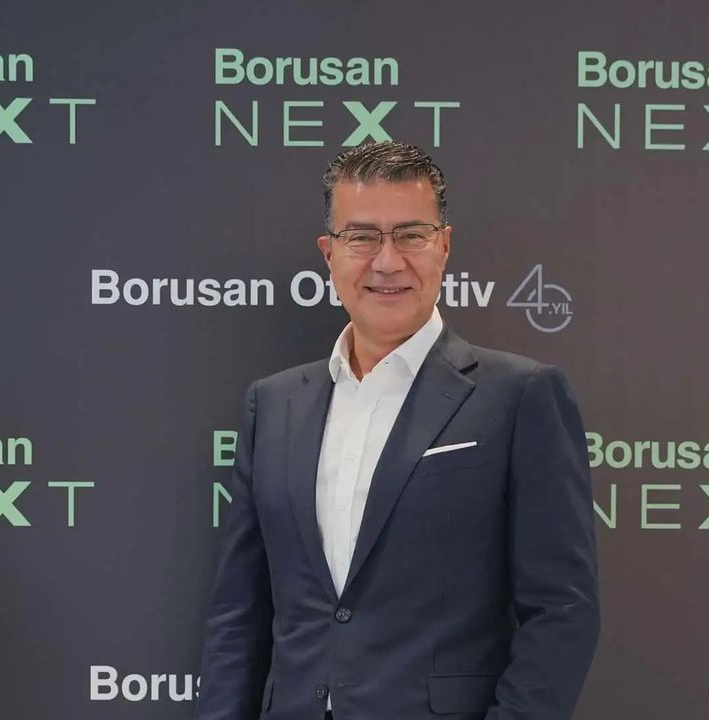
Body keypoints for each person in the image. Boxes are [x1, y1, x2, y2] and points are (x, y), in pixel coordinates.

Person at [196, 141, 599, 720]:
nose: (387, 261)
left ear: (444, 246)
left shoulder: (521, 396)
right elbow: (239, 612)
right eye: (362, 237)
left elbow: (562, 610)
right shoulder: (274, 404)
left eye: (411, 235)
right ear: (329, 253)